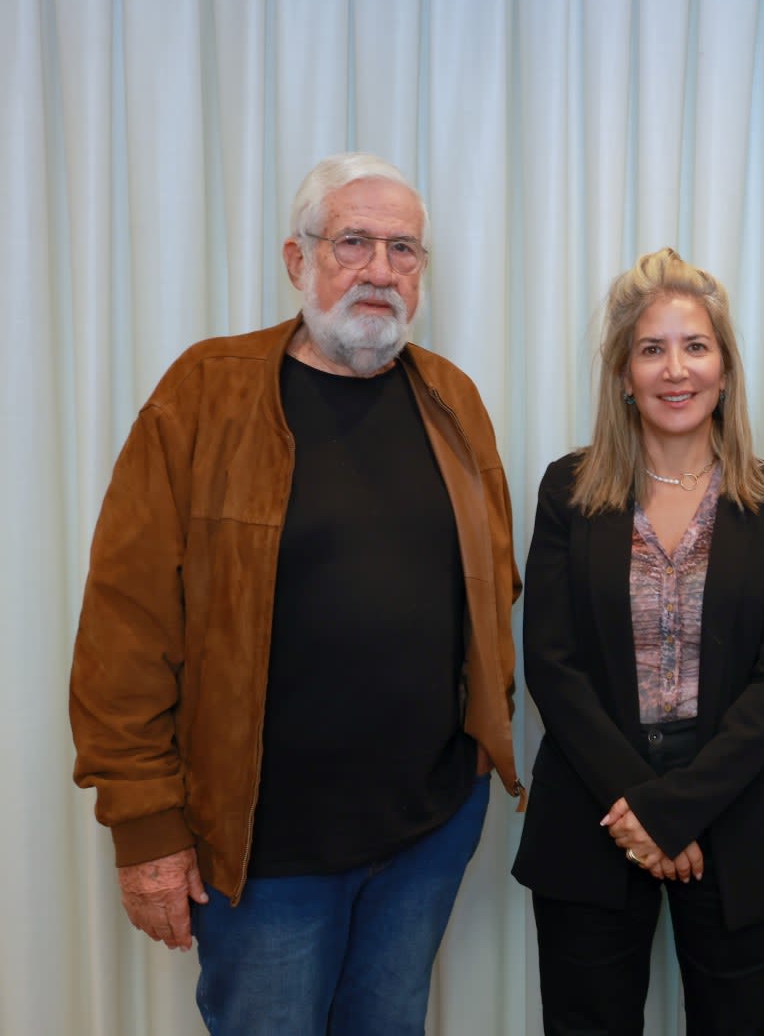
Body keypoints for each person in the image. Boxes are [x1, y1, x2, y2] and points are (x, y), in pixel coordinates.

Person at [69, 152, 525, 1035]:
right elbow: (124, 626)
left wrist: (481, 742)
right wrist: (146, 830)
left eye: (403, 249)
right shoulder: (205, 395)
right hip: (263, 847)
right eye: (353, 241)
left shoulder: (452, 401)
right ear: (296, 258)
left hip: (423, 832)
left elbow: (492, 583)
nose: (380, 270)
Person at [512, 248, 764, 1035]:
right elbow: (551, 661)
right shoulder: (569, 489)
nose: (674, 370)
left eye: (695, 346)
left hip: (739, 817)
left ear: (724, 369)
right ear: (623, 373)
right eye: (651, 349)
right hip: (593, 807)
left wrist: (680, 809)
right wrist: (641, 812)